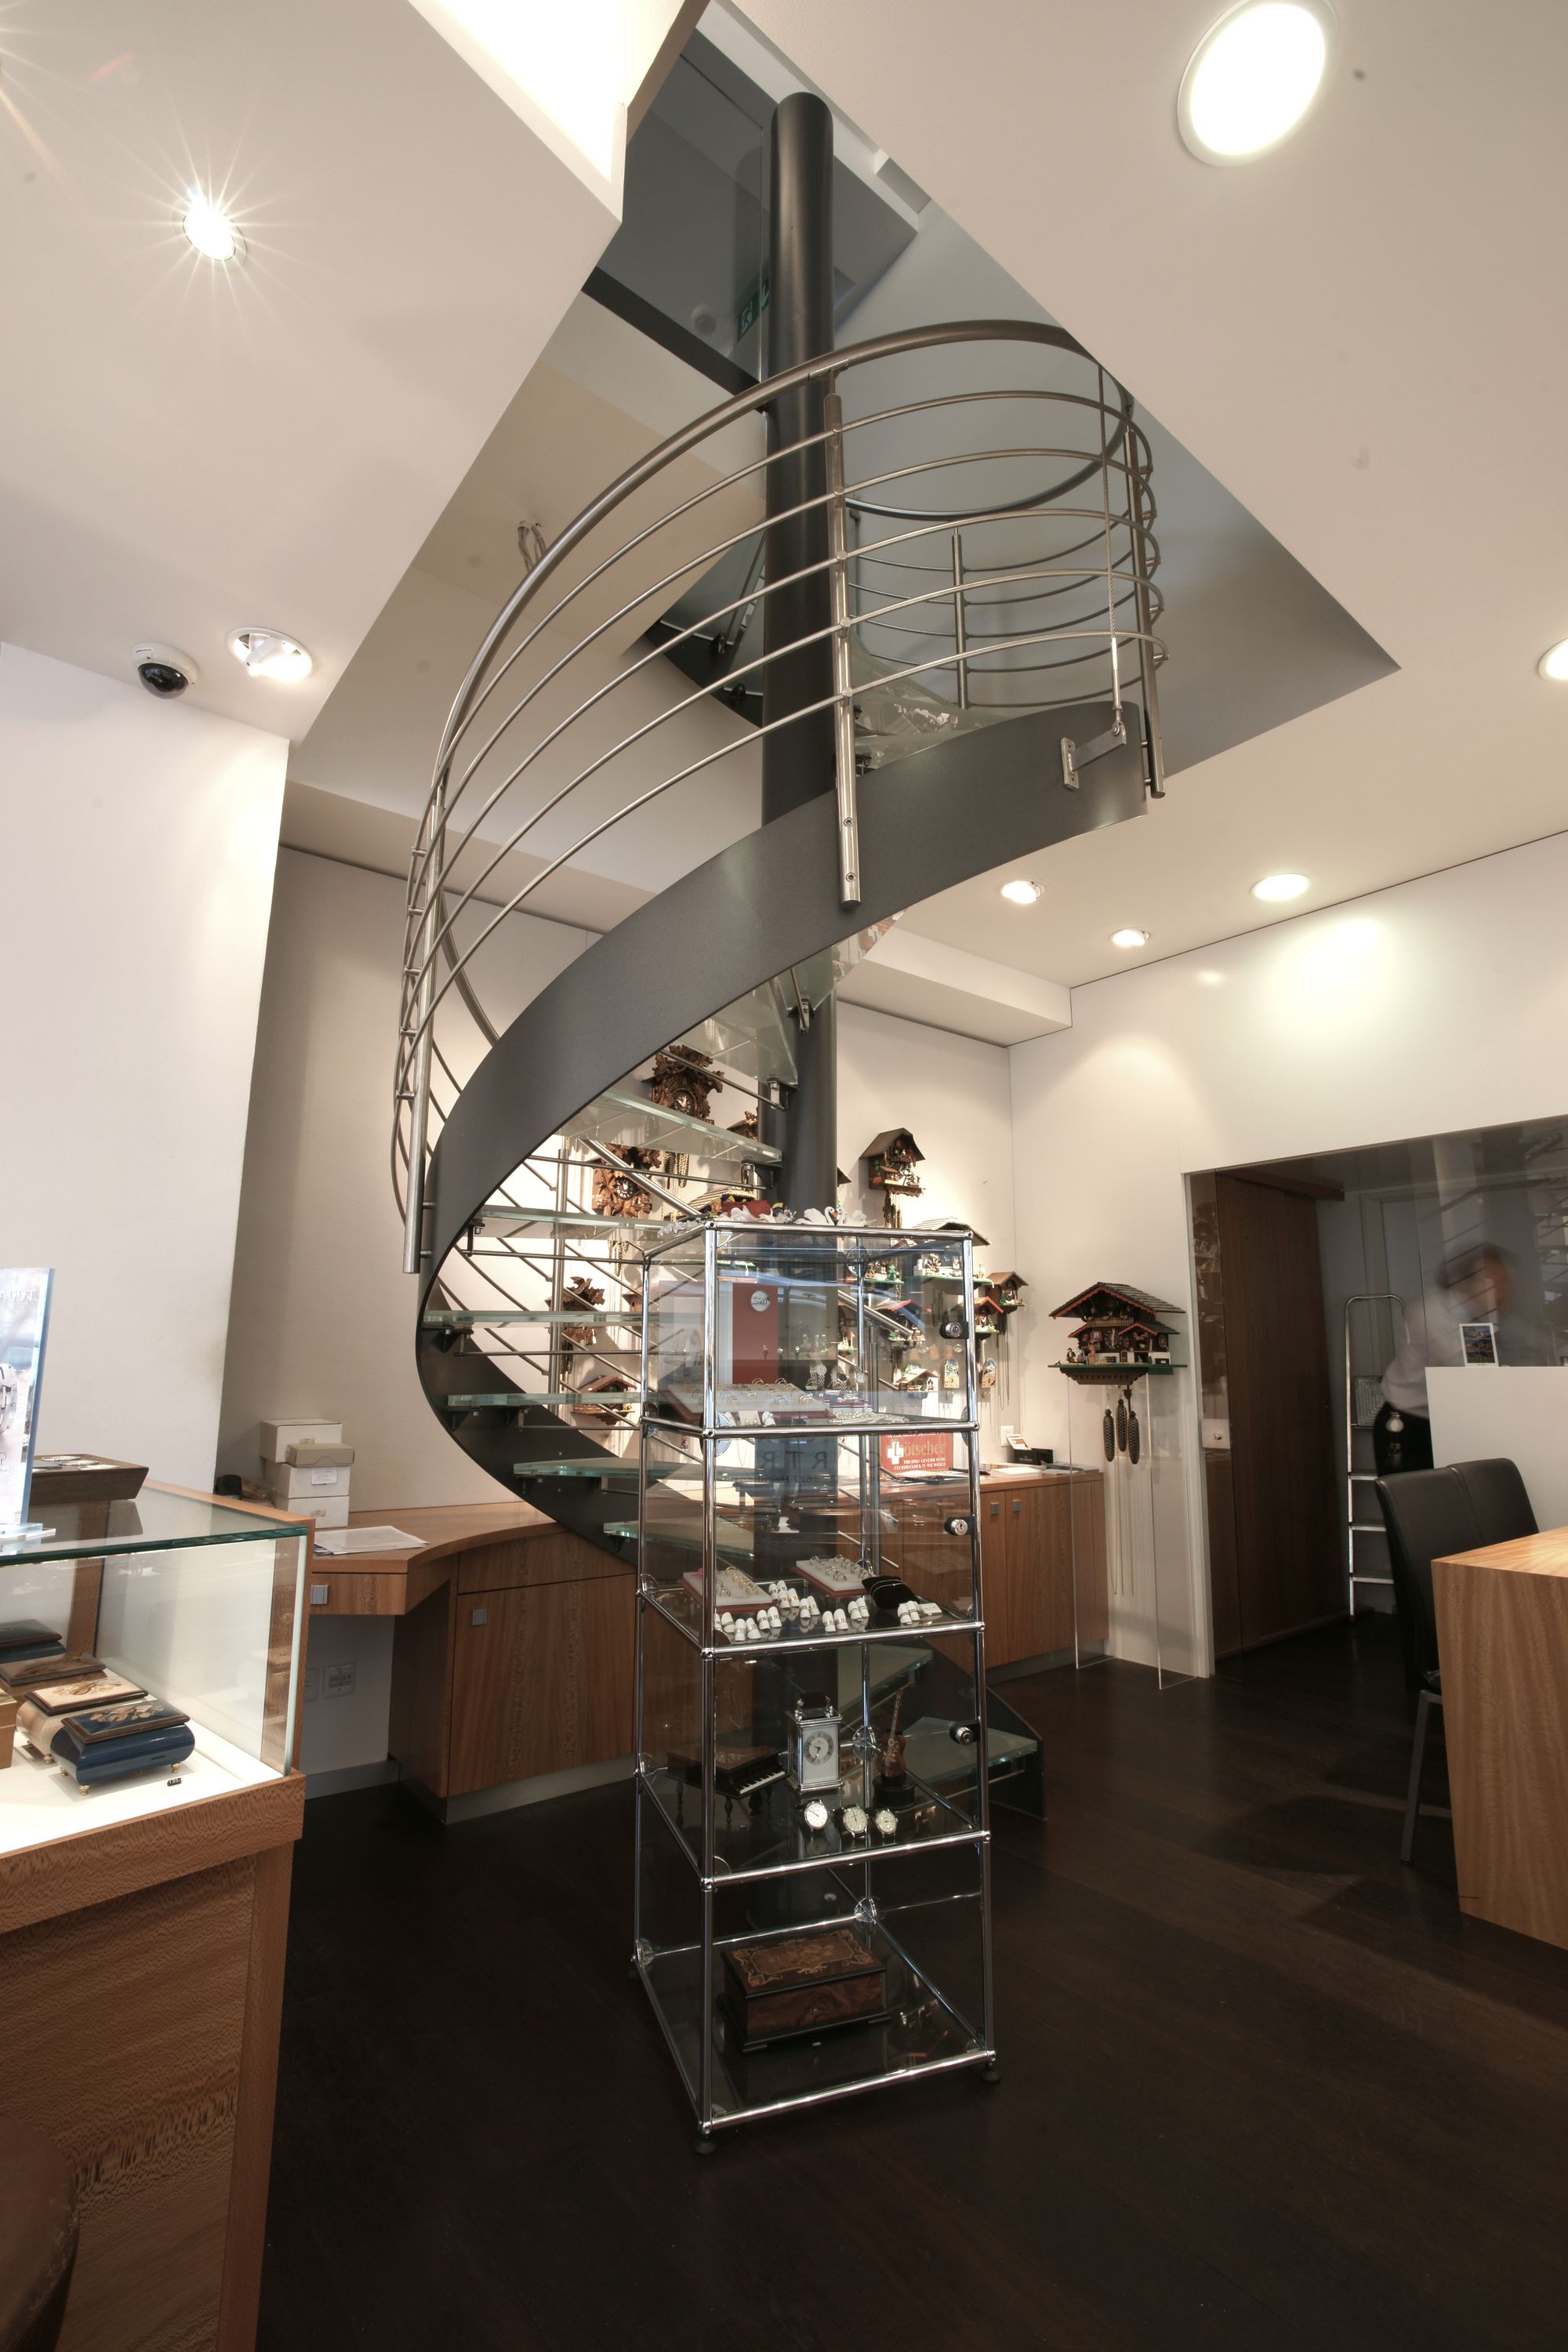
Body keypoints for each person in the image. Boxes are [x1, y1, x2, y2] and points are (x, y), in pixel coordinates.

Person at [1374, 1243, 1551, 1475]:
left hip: (1448, 1420)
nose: (1503, 1292)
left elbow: (1529, 1341)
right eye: (1496, 1283)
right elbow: (1471, 1369)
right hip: (1410, 1423)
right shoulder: (1432, 1313)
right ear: (1464, 1281)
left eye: (1504, 1283)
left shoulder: (1481, 1312)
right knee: (1416, 1496)